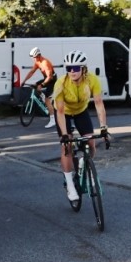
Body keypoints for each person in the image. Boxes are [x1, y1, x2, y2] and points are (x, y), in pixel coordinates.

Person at [53, 50, 109, 203]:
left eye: (76, 68)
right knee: (66, 147)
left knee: (91, 143)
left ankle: (85, 162)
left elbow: (99, 104)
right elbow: (60, 111)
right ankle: (70, 184)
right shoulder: (61, 83)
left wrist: (103, 127)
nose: (72, 71)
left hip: (81, 112)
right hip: (64, 113)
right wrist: (65, 134)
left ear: (83, 69)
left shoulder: (92, 80)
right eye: (69, 68)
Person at [22, 46, 57, 128]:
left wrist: (42, 85)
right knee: (35, 85)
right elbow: (31, 72)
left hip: (52, 80)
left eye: (33, 57)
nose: (33, 59)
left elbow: (50, 77)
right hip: (46, 79)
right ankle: (43, 97)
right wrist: (24, 81)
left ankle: (53, 120)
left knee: (47, 100)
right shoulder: (38, 62)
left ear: (38, 56)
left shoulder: (45, 63)